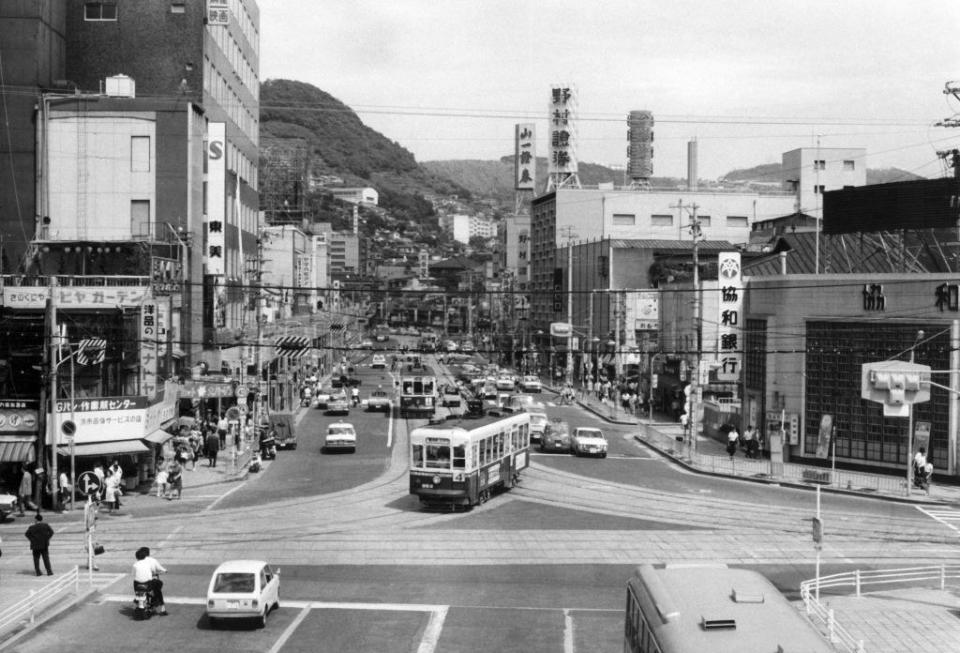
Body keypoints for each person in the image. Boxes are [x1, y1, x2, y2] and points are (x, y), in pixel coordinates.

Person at [132, 546, 168, 616]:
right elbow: (159, 568)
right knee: (158, 588)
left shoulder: (136, 563)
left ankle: (139, 601)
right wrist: (165, 570)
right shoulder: (152, 560)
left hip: (138, 584)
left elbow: (133, 574)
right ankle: (162, 607)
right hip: (149, 582)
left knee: (139, 588)